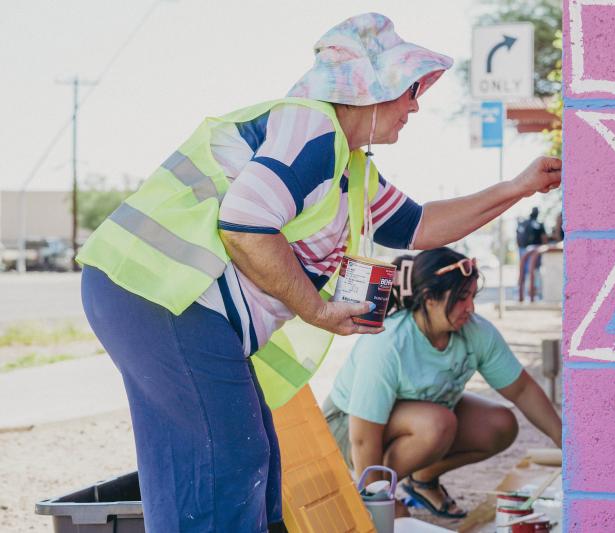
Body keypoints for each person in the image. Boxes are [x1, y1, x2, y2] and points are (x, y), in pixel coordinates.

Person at [77, 13, 561, 533]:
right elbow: (245, 226)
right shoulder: (311, 128)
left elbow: (421, 225)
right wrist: (319, 310)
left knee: (236, 458)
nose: (416, 105)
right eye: (410, 90)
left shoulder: (349, 166)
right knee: (229, 461)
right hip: (164, 296)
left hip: (158, 299)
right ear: (373, 89)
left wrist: (517, 187)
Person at [323, 247, 562, 519]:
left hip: (420, 420)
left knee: (501, 424)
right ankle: (368, 491)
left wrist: (564, 439)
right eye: (461, 298)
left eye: (472, 296)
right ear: (429, 299)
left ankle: (423, 478)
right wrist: (379, 501)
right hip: (348, 428)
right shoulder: (388, 344)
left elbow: (521, 389)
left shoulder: (475, 330)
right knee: (438, 423)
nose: (470, 307)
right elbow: (363, 437)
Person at [516, 207, 546, 301]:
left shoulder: (524, 223)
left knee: (523, 273)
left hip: (523, 249)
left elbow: (517, 237)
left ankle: (522, 295)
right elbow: (544, 238)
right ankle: (533, 295)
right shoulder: (539, 224)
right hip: (534, 249)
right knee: (535, 272)